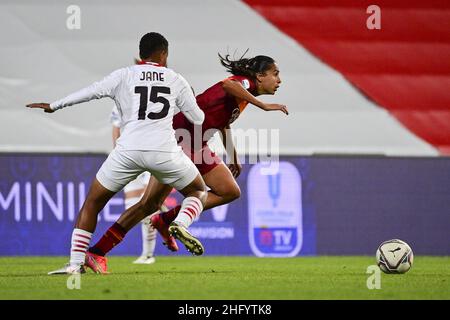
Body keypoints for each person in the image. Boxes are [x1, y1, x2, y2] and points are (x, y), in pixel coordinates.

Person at [84, 51, 288, 272]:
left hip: (197, 144)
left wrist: (233, 156)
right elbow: (229, 85)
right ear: (259, 76)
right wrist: (264, 105)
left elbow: (222, 122)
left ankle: (165, 220)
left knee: (229, 190)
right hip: (177, 139)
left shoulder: (242, 96)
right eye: (275, 74)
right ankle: (97, 252)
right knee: (147, 205)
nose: (279, 80)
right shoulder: (243, 84)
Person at [26, 32, 208, 275]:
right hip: (164, 152)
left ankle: (75, 264)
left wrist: (55, 105)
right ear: (164, 54)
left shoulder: (124, 74)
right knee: (197, 190)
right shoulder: (175, 79)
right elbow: (199, 118)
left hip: (128, 151)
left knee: (93, 203)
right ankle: (180, 224)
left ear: (141, 53)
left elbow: (91, 91)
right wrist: (180, 102)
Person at [110, 105, 160, 264]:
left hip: (149, 154)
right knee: (133, 207)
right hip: (128, 159)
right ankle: (163, 214)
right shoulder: (121, 99)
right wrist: (118, 154)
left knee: (147, 206)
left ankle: (148, 254)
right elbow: (116, 127)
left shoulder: (154, 96)